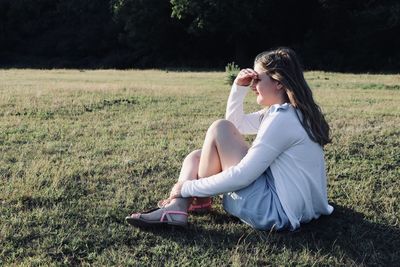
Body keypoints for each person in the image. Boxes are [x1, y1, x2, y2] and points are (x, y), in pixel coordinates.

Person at [126, 47, 334, 231]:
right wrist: (238, 88)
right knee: (195, 157)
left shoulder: (282, 119)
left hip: (274, 212)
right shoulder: (290, 113)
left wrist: (187, 187)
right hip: (292, 206)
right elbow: (237, 124)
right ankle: (183, 206)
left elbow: (242, 174)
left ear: (278, 83)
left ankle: (181, 203)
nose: (253, 86)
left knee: (219, 128)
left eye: (257, 79)